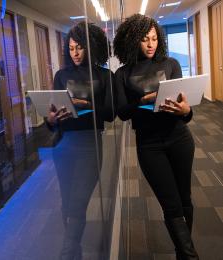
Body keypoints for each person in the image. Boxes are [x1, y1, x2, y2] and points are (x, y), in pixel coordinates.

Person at [114, 14, 199, 259]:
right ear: (132, 40)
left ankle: (184, 252)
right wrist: (143, 100)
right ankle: (190, 255)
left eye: (154, 39)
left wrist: (187, 110)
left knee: (185, 198)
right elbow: (121, 113)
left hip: (180, 138)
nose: (151, 44)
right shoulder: (122, 73)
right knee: (170, 203)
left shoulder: (170, 64)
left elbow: (185, 111)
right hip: (149, 145)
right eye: (144, 39)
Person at [46, 22, 115, 260]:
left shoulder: (105, 75)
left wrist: (88, 106)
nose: (75, 53)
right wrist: (52, 119)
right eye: (72, 48)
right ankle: (74, 252)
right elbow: (52, 117)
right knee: (68, 204)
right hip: (63, 144)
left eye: (80, 47)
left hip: (90, 144)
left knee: (77, 201)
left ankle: (66, 253)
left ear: (91, 47)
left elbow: (111, 114)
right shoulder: (61, 75)